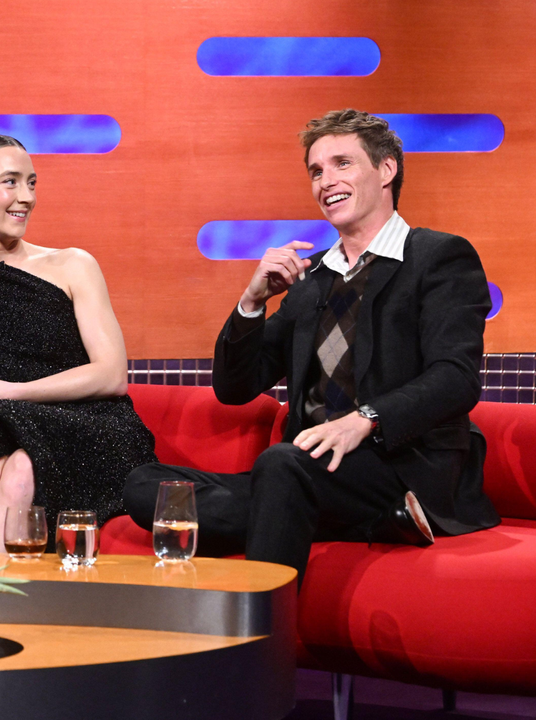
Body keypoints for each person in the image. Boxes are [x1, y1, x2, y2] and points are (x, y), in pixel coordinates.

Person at [123, 110, 500, 582]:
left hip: (401, 464)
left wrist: (364, 421)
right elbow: (236, 388)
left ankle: (258, 644)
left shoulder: (437, 257)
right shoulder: (312, 278)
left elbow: (455, 379)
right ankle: (369, 524)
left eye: (342, 164)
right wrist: (251, 302)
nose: (326, 181)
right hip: (311, 470)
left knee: (281, 465)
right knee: (148, 487)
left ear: (386, 170)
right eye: (316, 171)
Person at [0, 134, 158, 547]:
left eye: (31, 183)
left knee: (20, 464)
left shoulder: (72, 265)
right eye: (10, 182)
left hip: (89, 425)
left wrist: (14, 392)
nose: (25, 197)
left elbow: (112, 375)